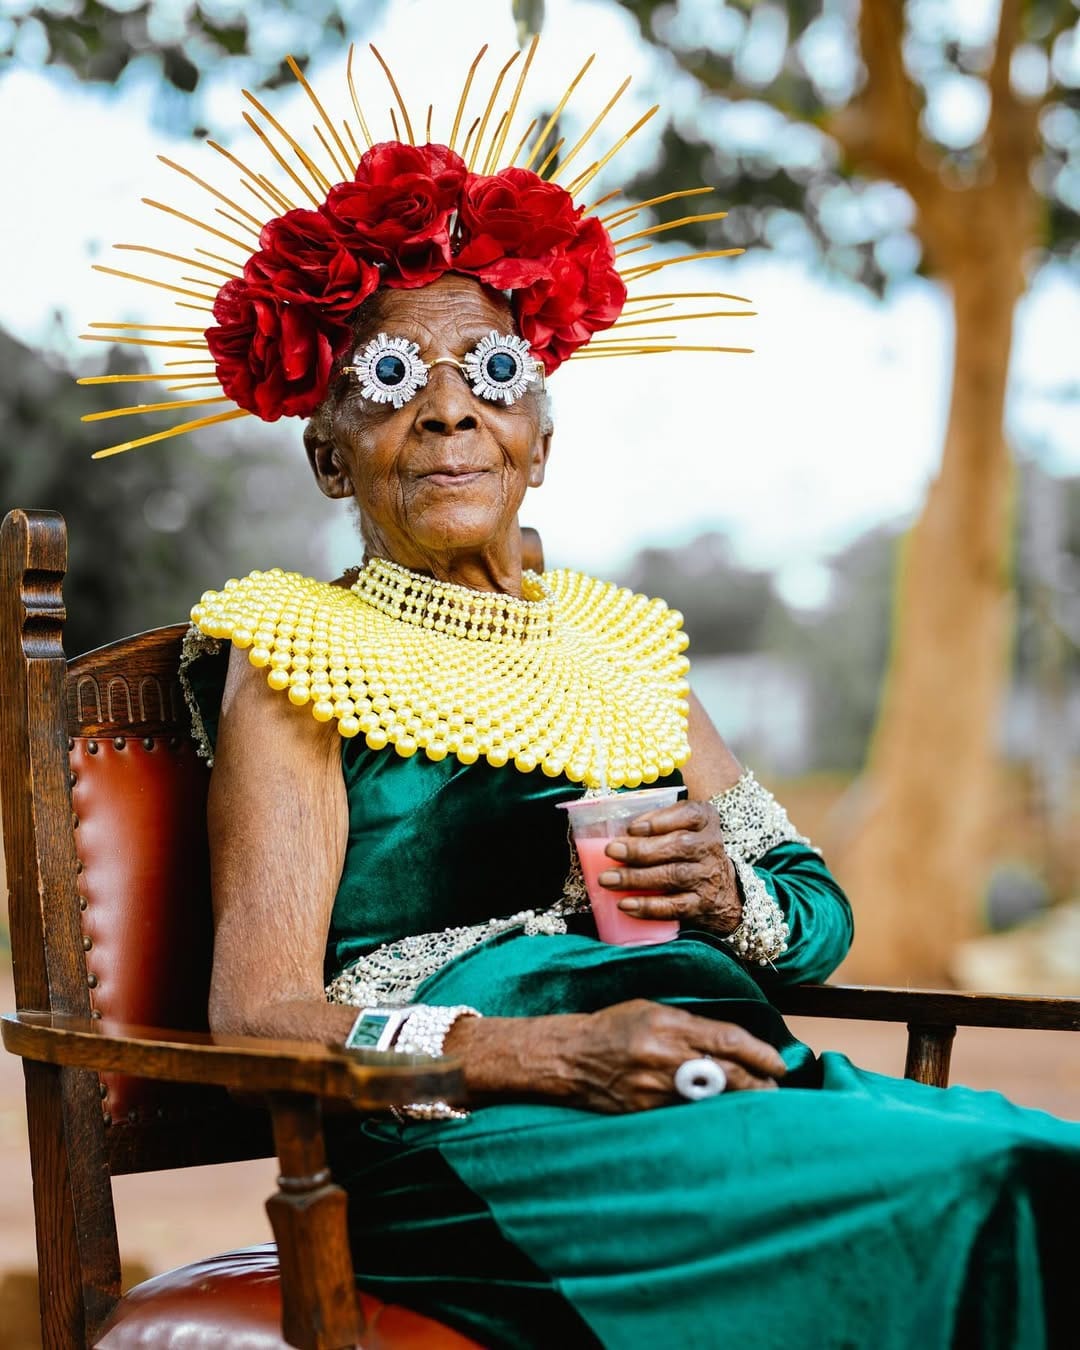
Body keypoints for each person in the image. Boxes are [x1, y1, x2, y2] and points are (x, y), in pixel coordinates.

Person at [86, 44, 1079, 1350]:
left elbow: (820, 916)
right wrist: (556, 1053)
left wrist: (726, 895)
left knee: (1044, 1164)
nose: (448, 413)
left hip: (708, 1077)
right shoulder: (296, 646)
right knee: (977, 1193)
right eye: (391, 379)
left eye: (490, 371)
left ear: (541, 437)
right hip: (478, 1131)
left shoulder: (624, 644)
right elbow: (261, 1010)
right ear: (332, 457)